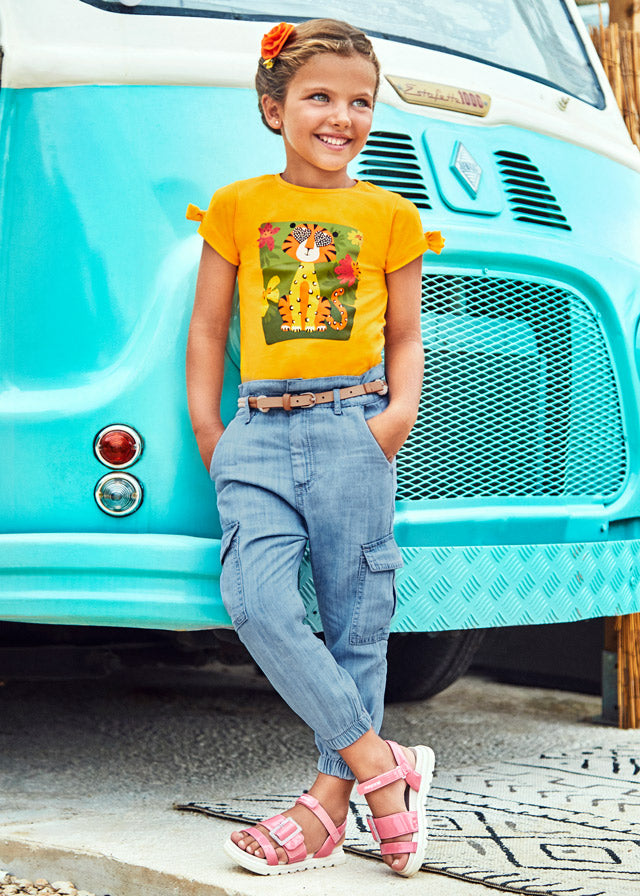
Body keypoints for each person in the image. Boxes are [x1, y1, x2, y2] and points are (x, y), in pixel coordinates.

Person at [186, 18, 443, 878]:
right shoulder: (237, 206)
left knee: (356, 622)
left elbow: (405, 335)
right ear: (275, 108)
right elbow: (209, 329)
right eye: (320, 97)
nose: (342, 116)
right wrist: (212, 434)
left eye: (360, 102)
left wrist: (395, 418)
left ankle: (329, 806)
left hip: (352, 428)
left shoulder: (391, 216)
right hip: (256, 434)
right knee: (257, 602)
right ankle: (382, 765)